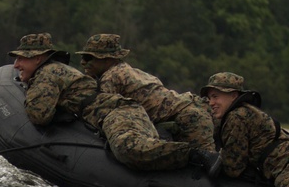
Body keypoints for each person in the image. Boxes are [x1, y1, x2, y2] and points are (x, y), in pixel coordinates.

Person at [9, 33, 220, 176]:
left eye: (22, 59)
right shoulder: (58, 72)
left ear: (38, 59)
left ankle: (194, 154)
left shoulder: (48, 73)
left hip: (119, 113)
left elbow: (39, 115)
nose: (16, 65)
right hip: (138, 111)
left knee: (128, 149)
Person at [76, 33, 216, 152]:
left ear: (107, 59)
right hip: (191, 110)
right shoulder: (127, 70)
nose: (83, 62)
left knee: (206, 162)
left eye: (88, 58)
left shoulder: (111, 78)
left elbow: (101, 110)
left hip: (190, 118)